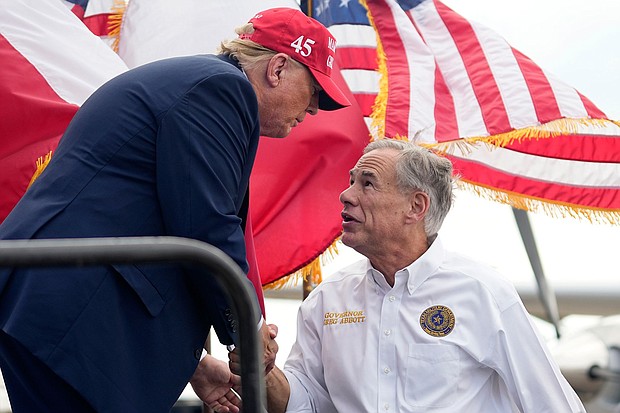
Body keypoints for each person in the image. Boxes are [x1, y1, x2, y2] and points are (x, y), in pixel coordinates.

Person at [0, 7, 349, 413]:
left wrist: (196, 366)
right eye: (313, 94)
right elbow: (206, 223)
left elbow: (167, 215)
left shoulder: (198, 82)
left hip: (67, 309)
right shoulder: (222, 88)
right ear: (277, 68)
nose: (311, 112)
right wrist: (248, 328)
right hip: (77, 316)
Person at [230, 139, 586, 412]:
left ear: (416, 207)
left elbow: (551, 403)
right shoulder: (326, 299)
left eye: (367, 184)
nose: (345, 195)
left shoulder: (484, 293)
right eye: (351, 181)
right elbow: (305, 402)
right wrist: (263, 370)